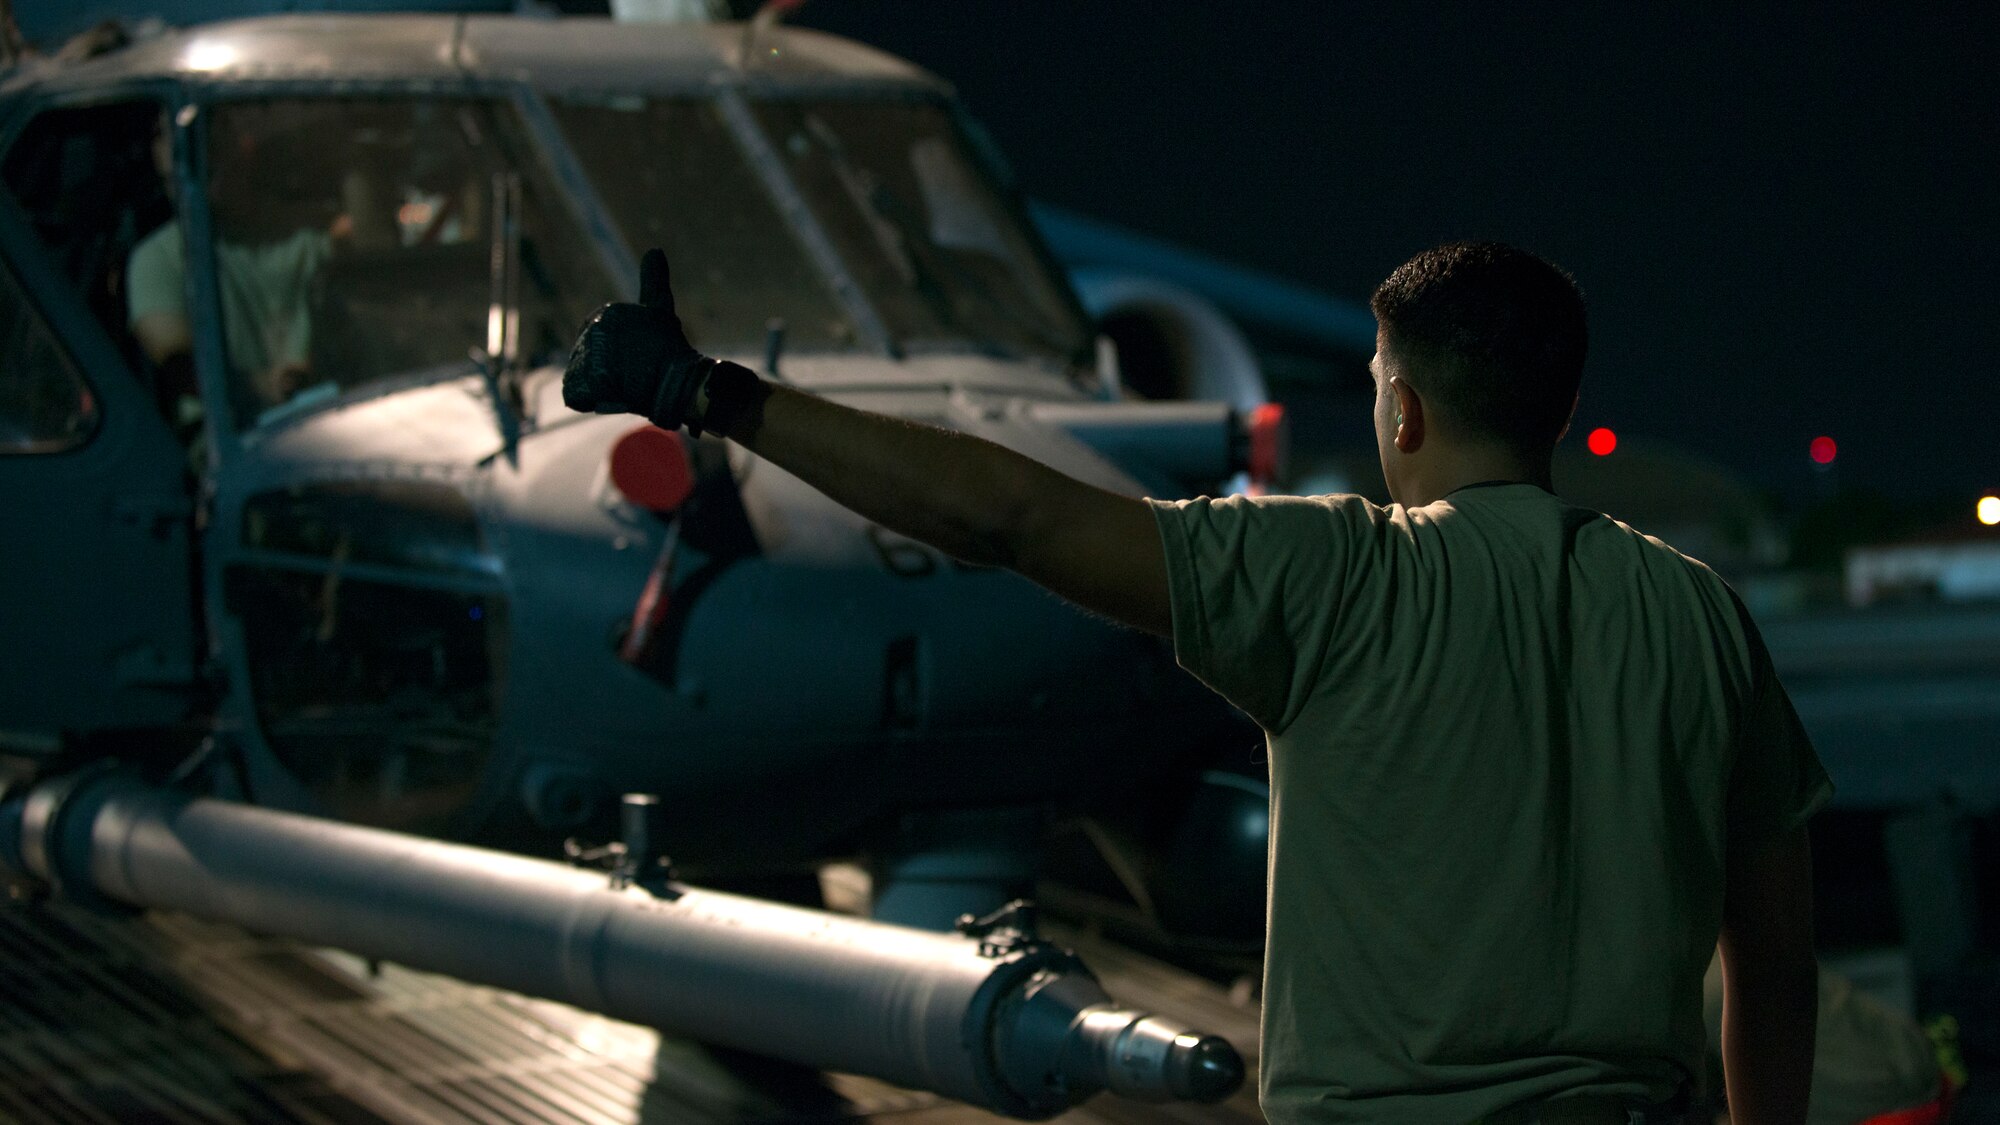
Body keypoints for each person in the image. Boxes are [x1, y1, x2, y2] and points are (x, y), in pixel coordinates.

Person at [564, 242, 1833, 1125]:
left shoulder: (1335, 576)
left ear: (1398, 414)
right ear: (1558, 412)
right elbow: (1772, 965)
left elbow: (1007, 515)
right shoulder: (1696, 612)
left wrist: (707, 394)